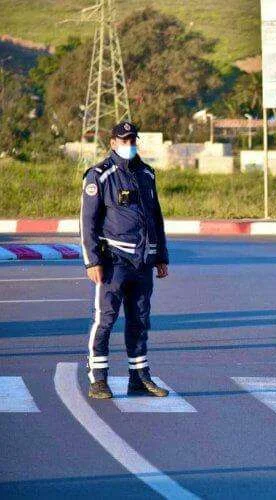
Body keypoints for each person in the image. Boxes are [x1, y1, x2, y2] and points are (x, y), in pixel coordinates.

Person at [80, 120, 170, 399]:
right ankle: (98, 379)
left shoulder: (147, 174)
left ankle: (139, 377)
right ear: (113, 143)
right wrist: (92, 261)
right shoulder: (99, 175)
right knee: (105, 319)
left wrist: (160, 255)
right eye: (124, 140)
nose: (129, 145)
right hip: (113, 260)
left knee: (140, 320)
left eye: (132, 140)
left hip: (142, 261)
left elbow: (155, 217)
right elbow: (87, 222)